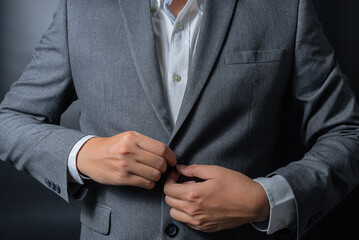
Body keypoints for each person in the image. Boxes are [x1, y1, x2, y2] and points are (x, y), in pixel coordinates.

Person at [0, 0, 358, 239]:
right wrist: (82, 154)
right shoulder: (80, 10)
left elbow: (347, 134)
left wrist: (264, 199)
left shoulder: (284, 9)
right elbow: (9, 120)